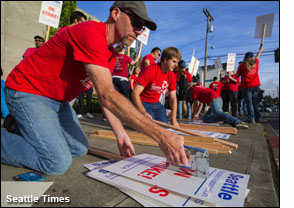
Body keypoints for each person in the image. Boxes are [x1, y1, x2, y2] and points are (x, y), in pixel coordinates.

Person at [1, 1, 188, 175]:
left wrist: (121, 134)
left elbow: (105, 95)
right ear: (116, 13)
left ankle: (19, 127)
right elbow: (108, 96)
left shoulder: (110, 55)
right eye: (136, 23)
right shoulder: (90, 32)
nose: (139, 31)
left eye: (142, 27)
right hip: (27, 91)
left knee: (79, 148)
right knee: (55, 162)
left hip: (58, 101)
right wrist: (163, 136)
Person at [132, 47, 181, 127]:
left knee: (164, 126)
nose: (176, 65)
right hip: (143, 102)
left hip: (156, 103)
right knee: (150, 126)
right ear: (165, 59)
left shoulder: (171, 75)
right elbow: (135, 93)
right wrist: (142, 111)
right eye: (174, 62)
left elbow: (173, 98)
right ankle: (134, 116)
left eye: (177, 62)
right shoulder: (150, 70)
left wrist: (173, 119)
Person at [236, 44, 263, 123]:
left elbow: (237, 75)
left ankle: (251, 118)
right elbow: (258, 56)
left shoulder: (241, 66)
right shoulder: (255, 64)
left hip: (246, 87)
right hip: (255, 86)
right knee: (254, 102)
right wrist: (260, 50)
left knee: (249, 102)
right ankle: (258, 117)